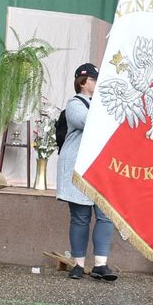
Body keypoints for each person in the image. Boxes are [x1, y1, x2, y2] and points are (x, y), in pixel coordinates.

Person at [57, 63, 117, 281]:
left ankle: (101, 264)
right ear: (84, 82)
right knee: (80, 217)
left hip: (102, 166)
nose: (97, 82)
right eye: (94, 79)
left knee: (105, 216)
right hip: (80, 167)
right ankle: (78, 264)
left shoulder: (105, 103)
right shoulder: (75, 103)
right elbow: (85, 122)